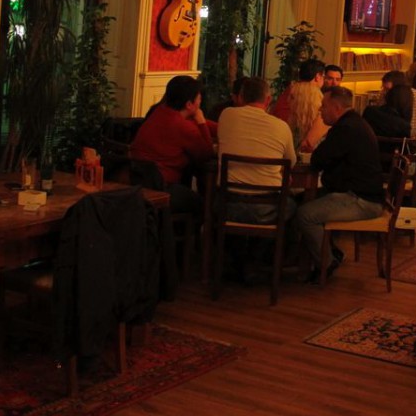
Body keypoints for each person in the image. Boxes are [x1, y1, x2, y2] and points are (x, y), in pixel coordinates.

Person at [296, 87, 384, 281]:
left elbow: (319, 159)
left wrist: (315, 152)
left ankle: (326, 263)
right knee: (300, 201)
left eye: (323, 106)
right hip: (363, 194)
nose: (320, 110)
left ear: (336, 108)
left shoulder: (345, 129)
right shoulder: (354, 123)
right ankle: (328, 253)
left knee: (305, 214)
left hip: (361, 200)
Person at [216, 77, 298, 282]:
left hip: (229, 204)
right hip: (267, 210)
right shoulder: (281, 127)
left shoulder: (227, 116)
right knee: (291, 207)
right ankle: (256, 260)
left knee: (220, 204)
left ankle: (237, 260)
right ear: (268, 99)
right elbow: (291, 161)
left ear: (241, 97)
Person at [130, 75, 216, 213]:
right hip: (161, 186)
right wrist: (201, 123)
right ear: (189, 104)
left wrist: (206, 122)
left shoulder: (160, 111)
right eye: (199, 98)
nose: (200, 102)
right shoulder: (182, 126)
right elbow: (206, 154)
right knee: (205, 206)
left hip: (136, 179)